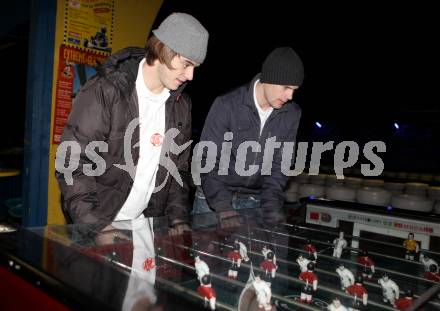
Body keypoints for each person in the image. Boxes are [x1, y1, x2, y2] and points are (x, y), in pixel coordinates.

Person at [55, 13, 209, 236]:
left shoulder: (181, 105)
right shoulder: (107, 90)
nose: (191, 75)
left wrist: (177, 219)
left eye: (195, 67)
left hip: (144, 229)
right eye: (186, 64)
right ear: (164, 50)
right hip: (97, 227)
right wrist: (97, 227)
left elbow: (177, 171)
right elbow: (72, 162)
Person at [193, 47, 304, 228]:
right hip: (212, 201)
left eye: (294, 90)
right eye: (286, 87)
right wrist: (223, 207)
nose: (290, 96)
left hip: (253, 201)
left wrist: (271, 207)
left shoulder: (291, 114)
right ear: (269, 78)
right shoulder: (227, 104)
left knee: (249, 256)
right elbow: (207, 161)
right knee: (205, 256)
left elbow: (280, 165)